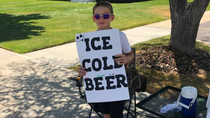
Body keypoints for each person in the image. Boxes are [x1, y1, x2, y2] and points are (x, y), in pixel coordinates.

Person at [77, 1, 134, 118]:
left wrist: (126, 59)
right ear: (93, 19)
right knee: (105, 112)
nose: (101, 19)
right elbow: (87, 63)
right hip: (99, 85)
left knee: (116, 113)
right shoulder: (88, 40)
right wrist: (82, 70)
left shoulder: (120, 36)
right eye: (97, 16)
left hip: (116, 84)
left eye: (105, 15)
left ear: (112, 17)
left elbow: (130, 54)